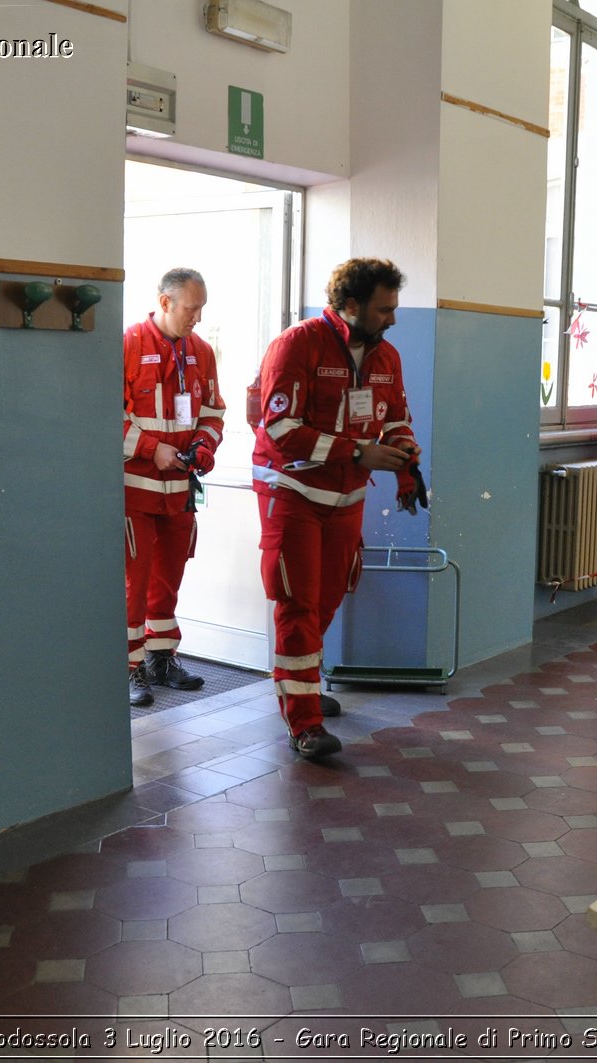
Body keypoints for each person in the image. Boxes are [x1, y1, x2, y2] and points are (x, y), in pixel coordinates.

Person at [252, 258, 423, 759]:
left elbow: (396, 420)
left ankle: (298, 680)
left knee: (327, 599)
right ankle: (303, 722)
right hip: (293, 494)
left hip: (346, 500)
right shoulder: (296, 345)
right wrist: (356, 452)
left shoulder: (386, 356)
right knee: (298, 603)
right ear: (350, 306)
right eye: (383, 309)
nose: (392, 319)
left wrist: (406, 467)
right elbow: (281, 430)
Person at [123, 268, 224, 708]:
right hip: (136, 489)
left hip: (179, 490)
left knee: (169, 579)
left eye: (202, 307)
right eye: (191, 308)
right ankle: (128, 668)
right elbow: (102, 413)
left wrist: (204, 445)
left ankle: (162, 657)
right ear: (165, 303)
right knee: (134, 581)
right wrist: (151, 448)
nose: (198, 317)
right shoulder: (127, 344)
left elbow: (213, 412)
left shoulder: (201, 351)